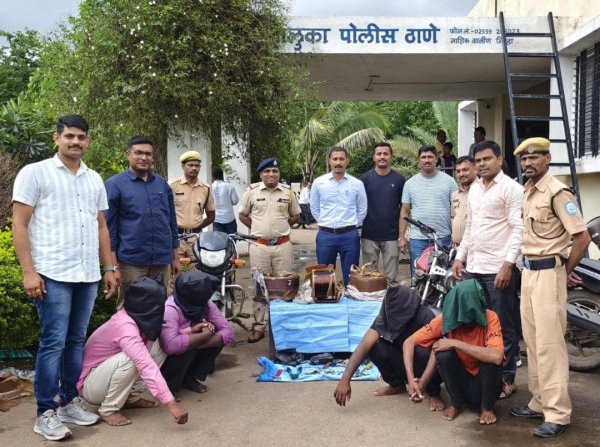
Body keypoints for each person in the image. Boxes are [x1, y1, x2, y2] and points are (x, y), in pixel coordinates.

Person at [12, 114, 117, 441]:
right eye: (69, 136)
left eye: (81, 137)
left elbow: (101, 226)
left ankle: (69, 402)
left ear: (87, 141)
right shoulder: (34, 173)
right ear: (56, 138)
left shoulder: (93, 178)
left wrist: (109, 268)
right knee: (53, 342)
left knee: (75, 340)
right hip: (52, 272)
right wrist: (29, 272)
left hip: (86, 273)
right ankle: (45, 412)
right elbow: (19, 224)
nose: (75, 142)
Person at [510, 137, 590, 438]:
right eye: (524, 159)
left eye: (535, 157)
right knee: (532, 341)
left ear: (548, 159)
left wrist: (564, 270)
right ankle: (539, 401)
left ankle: (558, 413)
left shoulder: (558, 192)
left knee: (550, 345)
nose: (528, 163)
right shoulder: (528, 191)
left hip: (549, 274)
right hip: (529, 273)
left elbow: (581, 237)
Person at [452, 141, 523, 400]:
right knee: (478, 324)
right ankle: (484, 375)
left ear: (500, 159)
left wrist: (508, 264)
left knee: (504, 326)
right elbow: (471, 227)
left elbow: (518, 229)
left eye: (487, 159)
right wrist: (460, 257)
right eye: (478, 160)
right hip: (475, 268)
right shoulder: (474, 190)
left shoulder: (512, 189)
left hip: (498, 270)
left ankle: (507, 378)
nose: (482, 164)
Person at [77, 275, 188, 427]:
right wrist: (171, 403)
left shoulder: (137, 317)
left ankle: (130, 398)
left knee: (160, 344)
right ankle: (108, 409)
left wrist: (188, 331)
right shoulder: (125, 325)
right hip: (91, 387)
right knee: (132, 358)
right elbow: (145, 364)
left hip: (107, 375)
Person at [406, 279, 504, 425]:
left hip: (485, 384)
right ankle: (456, 404)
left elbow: (497, 357)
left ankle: (487, 408)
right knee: (443, 355)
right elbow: (409, 342)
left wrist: (455, 343)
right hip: (461, 381)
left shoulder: (490, 317)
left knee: (489, 359)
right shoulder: (448, 318)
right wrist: (412, 380)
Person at [334, 285, 444, 410]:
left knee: (424, 352)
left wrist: (422, 383)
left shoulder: (425, 316)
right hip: (405, 361)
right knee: (375, 346)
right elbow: (364, 345)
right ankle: (396, 385)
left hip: (424, 364)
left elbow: (435, 353)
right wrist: (345, 378)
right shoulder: (388, 314)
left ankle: (433, 392)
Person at [105, 136, 180, 309]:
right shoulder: (115, 185)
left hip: (161, 260)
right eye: (138, 153)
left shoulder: (161, 184)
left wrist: (175, 257)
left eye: (148, 154)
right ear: (128, 154)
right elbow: (109, 229)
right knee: (130, 309)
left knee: (160, 306)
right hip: (131, 261)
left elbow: (171, 221)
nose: (144, 157)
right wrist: (114, 266)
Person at [239, 158, 301, 342]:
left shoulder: (288, 192)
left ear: (279, 174)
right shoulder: (251, 192)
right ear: (261, 174)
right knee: (259, 286)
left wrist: (281, 228)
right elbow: (243, 215)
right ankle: (259, 326)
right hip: (259, 247)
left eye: (275, 171)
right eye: (267, 171)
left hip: (283, 246)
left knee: (284, 286)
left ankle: (282, 325)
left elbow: (296, 216)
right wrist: (259, 230)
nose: (271, 174)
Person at [160, 271, 235, 397]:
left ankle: (188, 378)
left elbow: (228, 333)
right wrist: (203, 336)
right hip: (166, 358)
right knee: (187, 346)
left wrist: (198, 342)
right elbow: (171, 346)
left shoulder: (206, 304)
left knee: (217, 339)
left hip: (188, 343)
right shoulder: (170, 308)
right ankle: (168, 385)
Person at [310, 147, 368, 285]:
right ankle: (327, 297)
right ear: (329, 161)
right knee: (324, 276)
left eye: (341, 159)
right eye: (335, 159)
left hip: (349, 235)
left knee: (352, 275)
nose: (338, 162)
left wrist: (352, 225)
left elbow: (362, 208)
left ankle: (350, 297)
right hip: (326, 235)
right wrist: (325, 223)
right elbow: (314, 207)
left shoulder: (357, 184)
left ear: (347, 161)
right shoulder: (319, 183)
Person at [399, 145, 457, 277]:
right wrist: (401, 237)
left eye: (430, 157)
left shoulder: (449, 182)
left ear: (436, 159)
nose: (427, 160)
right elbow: (405, 211)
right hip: (418, 239)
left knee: (441, 276)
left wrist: (455, 234)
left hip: (443, 238)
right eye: (423, 157)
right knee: (418, 276)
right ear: (419, 160)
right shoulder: (410, 183)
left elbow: (456, 209)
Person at [360, 142, 405, 285]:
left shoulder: (399, 180)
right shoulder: (364, 179)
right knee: (368, 278)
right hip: (369, 235)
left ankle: (390, 299)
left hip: (392, 236)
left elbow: (404, 208)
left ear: (391, 156)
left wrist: (401, 236)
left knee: (391, 280)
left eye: (385, 154)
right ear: (373, 157)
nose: (382, 157)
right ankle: (371, 299)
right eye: (379, 154)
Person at [169, 150, 216, 266]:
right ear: (183, 166)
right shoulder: (172, 185)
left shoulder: (205, 188)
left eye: (197, 165)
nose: (194, 168)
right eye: (190, 165)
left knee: (196, 271)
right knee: (175, 271)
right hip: (176, 238)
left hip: (195, 239)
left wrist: (197, 227)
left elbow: (211, 216)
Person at [451, 156, 477, 247]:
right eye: (458, 171)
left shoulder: (482, 191)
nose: (461, 174)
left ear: (475, 169)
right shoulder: (455, 194)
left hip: (476, 247)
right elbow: (453, 217)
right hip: (457, 247)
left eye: (465, 170)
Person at [211, 168, 239, 235]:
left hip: (216, 218)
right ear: (222, 175)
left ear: (212, 177)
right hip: (229, 218)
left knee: (219, 240)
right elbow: (235, 201)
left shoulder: (210, 187)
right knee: (232, 239)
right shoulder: (229, 186)